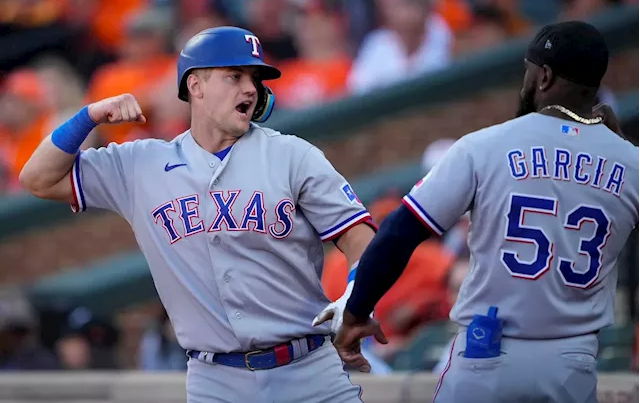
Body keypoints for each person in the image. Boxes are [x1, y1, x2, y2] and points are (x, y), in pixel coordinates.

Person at [19, 26, 376, 403]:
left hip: (308, 371)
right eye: (234, 76)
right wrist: (89, 116)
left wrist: (356, 300)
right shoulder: (141, 164)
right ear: (196, 85)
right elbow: (37, 179)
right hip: (215, 380)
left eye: (254, 79)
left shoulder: (292, 155)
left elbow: (360, 238)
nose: (250, 88)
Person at [331, 21, 640, 402]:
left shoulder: (485, 146)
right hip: (571, 363)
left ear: (543, 76)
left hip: (487, 353)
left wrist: (356, 313)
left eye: (528, 71)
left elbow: (399, 233)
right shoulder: (632, 163)